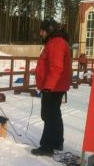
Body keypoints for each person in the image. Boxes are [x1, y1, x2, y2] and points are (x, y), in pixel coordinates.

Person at [31, 18, 72, 156]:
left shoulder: (56, 42)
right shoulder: (55, 42)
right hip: (56, 85)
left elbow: (56, 67)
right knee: (54, 114)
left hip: (53, 86)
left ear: (48, 30)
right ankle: (57, 142)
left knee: (48, 115)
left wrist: (48, 87)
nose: (40, 33)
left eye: (42, 31)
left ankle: (47, 146)